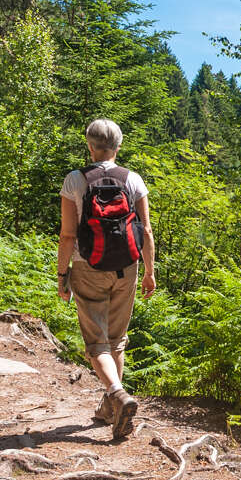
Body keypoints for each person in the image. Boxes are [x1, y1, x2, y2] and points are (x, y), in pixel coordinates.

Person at [57, 118, 156, 440]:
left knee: (97, 343)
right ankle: (110, 409)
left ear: (90, 145)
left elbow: (68, 235)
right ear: (118, 146)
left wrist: (62, 275)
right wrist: (150, 273)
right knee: (117, 338)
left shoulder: (75, 180)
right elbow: (147, 231)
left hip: (88, 267)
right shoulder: (134, 180)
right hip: (127, 267)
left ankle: (116, 394)